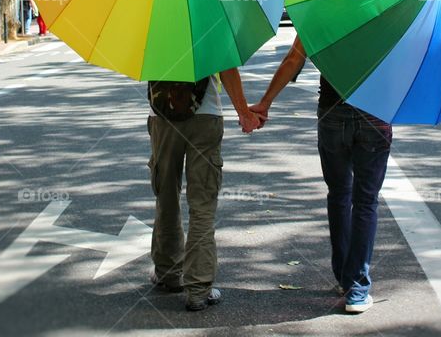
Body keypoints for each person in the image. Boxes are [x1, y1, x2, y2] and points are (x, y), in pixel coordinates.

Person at [250, 36, 391, 314]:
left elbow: (294, 59)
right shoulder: (392, 8)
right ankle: (357, 289)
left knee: (339, 194)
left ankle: (343, 277)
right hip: (375, 115)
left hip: (332, 114)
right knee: (365, 202)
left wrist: (265, 102)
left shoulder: (321, 7)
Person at [147, 70, 262, 312]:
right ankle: (198, 290)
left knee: (166, 196)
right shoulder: (212, 29)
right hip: (206, 116)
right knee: (202, 205)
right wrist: (244, 113)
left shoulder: (146, 30)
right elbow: (228, 69)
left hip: (162, 115)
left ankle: (168, 272)